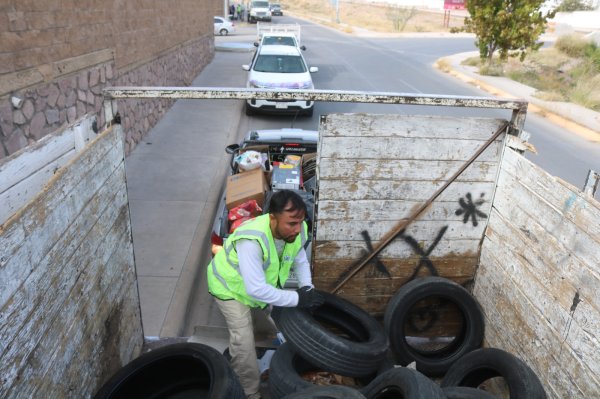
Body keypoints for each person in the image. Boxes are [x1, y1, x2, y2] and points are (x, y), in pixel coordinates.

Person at [207, 190, 323, 399]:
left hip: (256, 287)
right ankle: (250, 393)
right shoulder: (252, 240)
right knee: (243, 342)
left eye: (300, 222)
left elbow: (300, 260)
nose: (297, 229)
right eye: (291, 224)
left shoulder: (299, 229)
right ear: (272, 218)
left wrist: (306, 287)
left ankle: (264, 350)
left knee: (272, 323)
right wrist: (298, 298)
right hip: (228, 288)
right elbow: (256, 290)